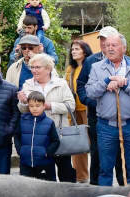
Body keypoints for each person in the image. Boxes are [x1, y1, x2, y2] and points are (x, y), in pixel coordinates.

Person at [85, 33, 130, 186]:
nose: (110, 48)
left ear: (124, 48)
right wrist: (107, 82)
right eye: (107, 46)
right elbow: (90, 92)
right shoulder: (96, 68)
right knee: (105, 169)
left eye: (114, 45)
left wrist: (125, 84)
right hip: (106, 126)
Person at [77, 26, 125, 185]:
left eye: (108, 40)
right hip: (97, 118)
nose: (105, 43)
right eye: (102, 40)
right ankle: (96, 192)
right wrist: (96, 102)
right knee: (97, 156)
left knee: (121, 157)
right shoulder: (91, 61)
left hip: (122, 119)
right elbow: (81, 87)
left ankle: (124, 191)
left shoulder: (126, 61)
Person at [17, 53, 76, 182]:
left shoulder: (61, 84)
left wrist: (49, 106)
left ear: (48, 68)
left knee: (65, 172)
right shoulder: (27, 84)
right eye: (32, 67)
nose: (34, 70)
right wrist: (22, 102)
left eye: (38, 67)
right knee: (43, 179)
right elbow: (23, 110)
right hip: (37, 138)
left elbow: (71, 106)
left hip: (59, 134)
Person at [14, 91, 61, 180]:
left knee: (46, 189)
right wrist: (20, 150)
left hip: (45, 163)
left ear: (43, 106)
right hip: (25, 163)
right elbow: (16, 136)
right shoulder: (22, 120)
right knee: (27, 189)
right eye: (31, 106)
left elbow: (55, 141)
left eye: (37, 105)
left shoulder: (49, 122)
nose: (34, 108)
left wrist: (46, 153)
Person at [65, 40, 93, 183]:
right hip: (74, 110)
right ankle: (81, 177)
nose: (73, 51)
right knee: (77, 144)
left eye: (77, 49)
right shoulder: (71, 69)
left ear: (85, 51)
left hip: (88, 109)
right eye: (72, 49)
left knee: (92, 142)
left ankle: (96, 175)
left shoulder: (91, 66)